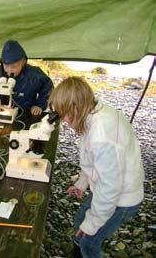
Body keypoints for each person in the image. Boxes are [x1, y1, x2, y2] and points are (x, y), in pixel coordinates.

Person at [48, 77, 144, 258]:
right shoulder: (93, 110)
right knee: (80, 224)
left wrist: (92, 225)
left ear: (77, 106)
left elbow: (110, 188)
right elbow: (92, 159)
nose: (65, 121)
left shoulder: (101, 136)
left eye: (66, 114)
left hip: (121, 199)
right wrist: (82, 183)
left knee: (89, 240)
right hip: (106, 187)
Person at [0, 40, 53, 116]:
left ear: (23, 62)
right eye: (6, 66)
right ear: (2, 63)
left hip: (27, 112)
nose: (9, 71)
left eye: (14, 66)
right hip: (3, 109)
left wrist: (39, 105)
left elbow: (48, 88)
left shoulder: (35, 75)